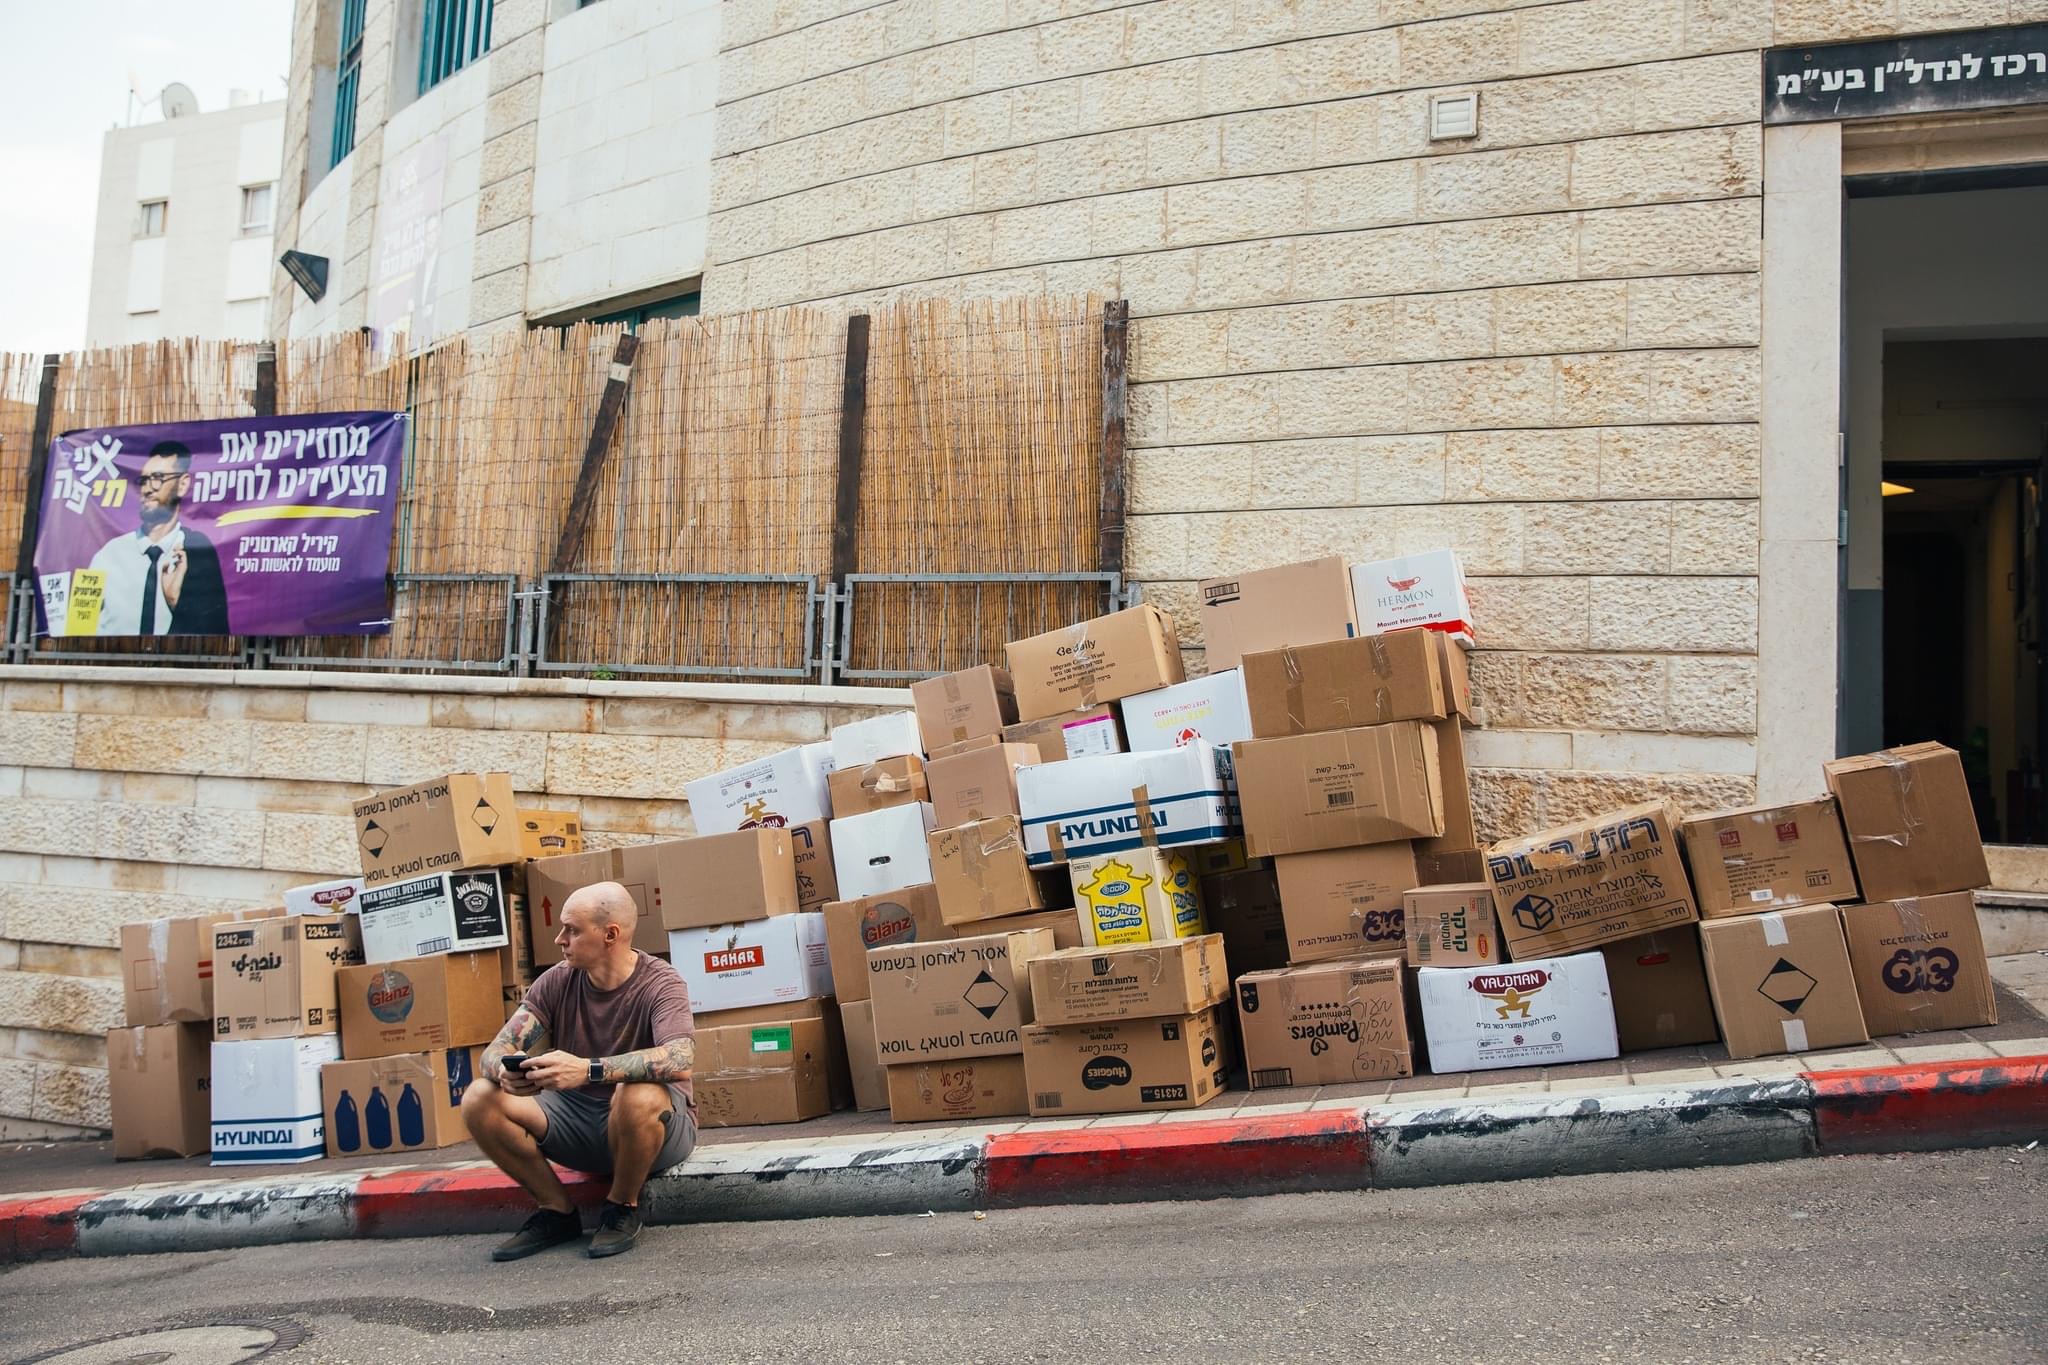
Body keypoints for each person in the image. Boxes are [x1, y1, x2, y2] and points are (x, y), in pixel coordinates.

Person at [464, 882, 696, 1260]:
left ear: (610, 935)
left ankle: (622, 1207)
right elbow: (497, 1049)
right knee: (479, 1097)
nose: (559, 939)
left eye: (572, 929)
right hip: (575, 1123)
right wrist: (504, 1072)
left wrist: (588, 1070)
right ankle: (556, 1211)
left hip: (653, 1131)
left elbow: (681, 1059)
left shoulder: (661, 982)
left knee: (637, 1092)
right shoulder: (557, 979)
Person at [87, 439, 230, 636]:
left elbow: (217, 629)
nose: (147, 489)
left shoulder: (197, 552)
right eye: (144, 480)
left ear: (182, 485)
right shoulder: (107, 556)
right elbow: (81, 622)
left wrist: (176, 602)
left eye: (158, 478)